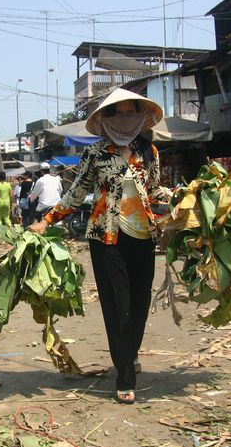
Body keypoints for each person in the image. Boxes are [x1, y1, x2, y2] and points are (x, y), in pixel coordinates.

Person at [29, 88, 170, 405]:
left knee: (139, 305)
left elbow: (156, 190)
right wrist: (46, 221)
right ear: (107, 118)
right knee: (118, 306)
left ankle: (128, 355)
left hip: (143, 239)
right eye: (118, 112)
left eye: (132, 111)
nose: (125, 118)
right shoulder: (95, 154)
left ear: (141, 117)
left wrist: (189, 204)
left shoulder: (150, 151)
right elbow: (77, 194)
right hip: (106, 240)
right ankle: (124, 376)